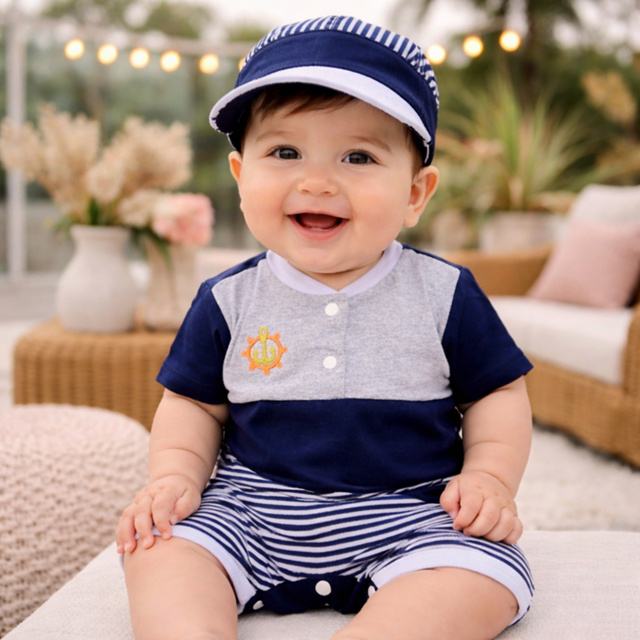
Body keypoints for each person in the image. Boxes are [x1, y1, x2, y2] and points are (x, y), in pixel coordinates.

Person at [116, 15, 534, 640]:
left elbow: (496, 393)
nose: (316, 181)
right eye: (285, 152)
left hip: (414, 514)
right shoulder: (229, 299)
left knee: (482, 573)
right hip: (251, 513)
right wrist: (174, 477)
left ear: (416, 193)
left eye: (358, 156)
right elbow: (194, 405)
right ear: (241, 177)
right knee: (160, 552)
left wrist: (489, 478)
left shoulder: (444, 293)